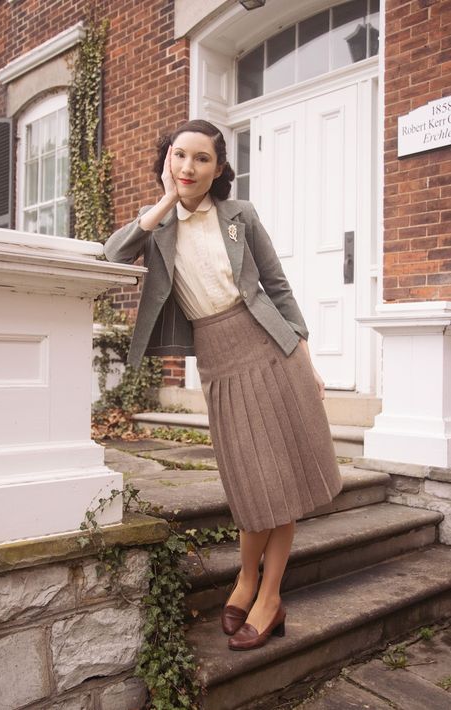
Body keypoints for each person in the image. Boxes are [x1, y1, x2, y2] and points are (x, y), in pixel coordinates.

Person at [104, 119, 343, 651]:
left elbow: (277, 288)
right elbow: (113, 255)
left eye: (202, 159)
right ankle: (246, 579)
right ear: (167, 160)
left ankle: (269, 594)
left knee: (284, 480)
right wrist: (165, 202)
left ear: (218, 168)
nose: (189, 168)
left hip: (270, 348)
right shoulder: (158, 225)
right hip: (219, 359)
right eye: (179, 156)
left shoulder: (240, 216)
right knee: (250, 480)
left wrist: (305, 353)